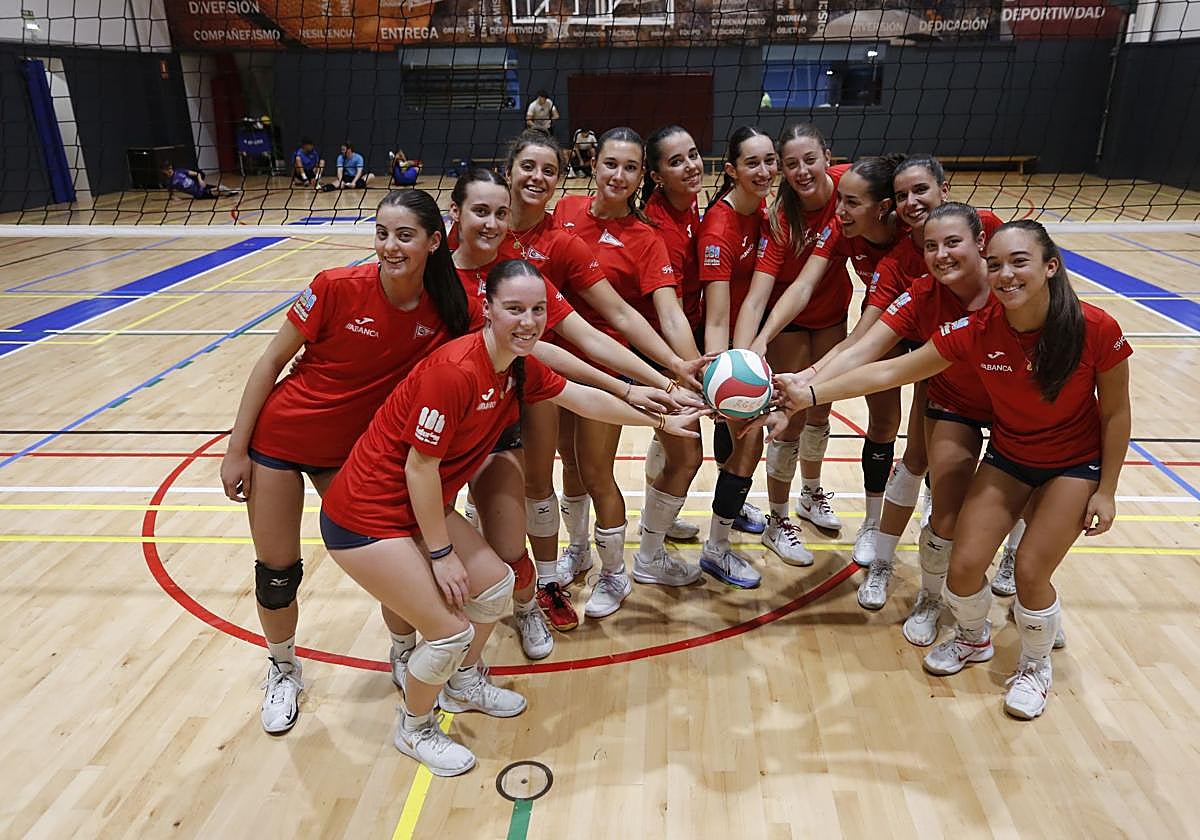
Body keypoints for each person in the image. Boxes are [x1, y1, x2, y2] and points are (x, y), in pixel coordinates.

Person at [319, 258, 702, 776]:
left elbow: (584, 399)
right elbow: (419, 469)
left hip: (410, 507)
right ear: (487, 308)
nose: (528, 321)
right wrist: (441, 553)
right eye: (514, 309)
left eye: (538, 310)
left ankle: (463, 682)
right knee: (448, 630)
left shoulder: (518, 365)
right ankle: (414, 727)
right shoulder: (454, 372)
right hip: (364, 517)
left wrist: (661, 418)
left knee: (496, 585)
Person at [768, 220, 1131, 720]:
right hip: (1010, 456)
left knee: (1028, 570)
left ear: (1051, 266)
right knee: (962, 564)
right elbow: (891, 369)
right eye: (998, 263)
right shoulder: (976, 331)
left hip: (1073, 465)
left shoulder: (1097, 328)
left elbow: (1114, 412)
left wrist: (1106, 490)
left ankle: (1034, 664)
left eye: (1019, 262)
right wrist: (808, 393)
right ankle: (972, 636)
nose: (1005, 274)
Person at [219, 189, 480, 735]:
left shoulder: (448, 311)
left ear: (435, 242)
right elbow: (271, 361)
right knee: (276, 574)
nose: (389, 246)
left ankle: (404, 654)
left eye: (404, 235)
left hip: (354, 458)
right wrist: (236, 448)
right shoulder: (335, 287)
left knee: (402, 566)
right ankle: (283, 668)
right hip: (282, 443)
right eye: (381, 233)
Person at [447, 168, 695, 652]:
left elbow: (569, 342)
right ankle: (420, 636)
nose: (494, 222)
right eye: (481, 211)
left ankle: (534, 597)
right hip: (438, 421)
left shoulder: (516, 276)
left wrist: (652, 385)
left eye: (499, 214)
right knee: (441, 533)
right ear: (454, 214)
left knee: (517, 510)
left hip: (500, 412)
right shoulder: (433, 272)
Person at [554, 126, 708, 617]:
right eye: (611, 164)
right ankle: (577, 551)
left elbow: (667, 313)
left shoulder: (646, 238)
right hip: (556, 359)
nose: (618, 175)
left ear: (644, 176)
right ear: (593, 164)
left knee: (597, 469)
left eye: (631, 167)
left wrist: (688, 373)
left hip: (611, 364)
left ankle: (616, 573)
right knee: (570, 465)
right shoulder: (564, 214)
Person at [748, 154, 905, 548]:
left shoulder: (913, 241)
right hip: (880, 325)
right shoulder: (838, 224)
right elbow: (804, 287)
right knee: (804, 414)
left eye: (851, 203)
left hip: (932, 332)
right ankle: (784, 517)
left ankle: (882, 522)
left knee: (903, 428)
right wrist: (763, 338)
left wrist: (808, 379)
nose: (838, 211)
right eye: (841, 200)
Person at [731, 124, 853, 567]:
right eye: (791, 164)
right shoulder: (782, 217)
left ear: (827, 156)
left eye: (810, 159)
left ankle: (811, 493)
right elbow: (776, 290)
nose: (802, 170)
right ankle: (778, 519)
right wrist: (756, 343)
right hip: (790, 318)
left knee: (821, 409)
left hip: (833, 313)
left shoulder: (850, 190)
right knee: (793, 414)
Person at [696, 125, 779, 588]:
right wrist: (720, 373)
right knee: (750, 438)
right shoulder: (720, 227)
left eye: (770, 160)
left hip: (745, 341)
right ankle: (717, 549)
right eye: (753, 163)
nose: (765, 170)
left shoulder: (761, 210)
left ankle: (733, 504)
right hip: (722, 343)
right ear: (731, 170)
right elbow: (716, 314)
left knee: (741, 442)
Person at [640, 124, 707, 546]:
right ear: (657, 176)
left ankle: (658, 518)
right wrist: (695, 372)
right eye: (676, 161)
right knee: (687, 452)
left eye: (694, 154)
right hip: (662, 350)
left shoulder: (691, 205)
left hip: (684, 339)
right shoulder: (659, 227)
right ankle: (651, 544)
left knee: (667, 441)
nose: (691, 166)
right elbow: (668, 314)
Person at [161, 162, 239, 200]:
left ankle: (231, 192)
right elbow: (171, 193)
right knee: (220, 190)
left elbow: (197, 174)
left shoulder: (180, 171)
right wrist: (175, 198)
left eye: (170, 168)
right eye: (167, 169)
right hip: (199, 194)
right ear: (164, 171)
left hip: (201, 186)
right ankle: (230, 192)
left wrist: (200, 180)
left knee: (221, 187)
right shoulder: (169, 182)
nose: (170, 170)